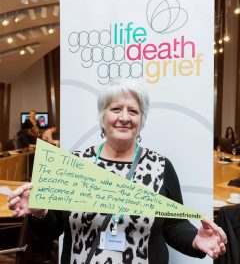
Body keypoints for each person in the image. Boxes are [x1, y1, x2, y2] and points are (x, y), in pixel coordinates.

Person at [8, 78, 227, 264]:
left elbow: (174, 224)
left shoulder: (160, 167)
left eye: (133, 111)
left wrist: (196, 240)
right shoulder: (75, 164)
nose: (124, 117)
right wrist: (39, 211)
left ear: (141, 120)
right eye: (115, 109)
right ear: (103, 117)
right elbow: (51, 230)